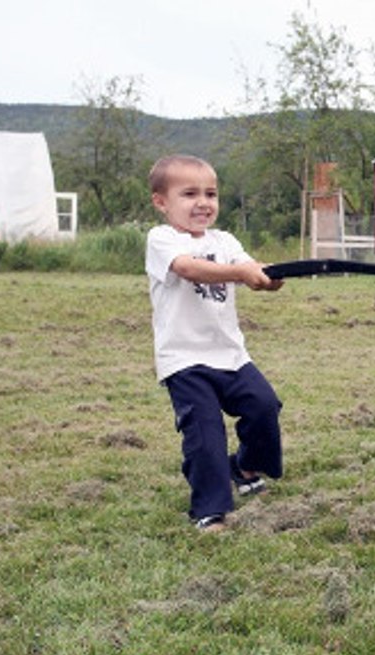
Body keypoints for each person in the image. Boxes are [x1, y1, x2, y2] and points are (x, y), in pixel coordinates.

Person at [145, 154, 285, 533]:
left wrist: (269, 277)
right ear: (162, 201)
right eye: (189, 194)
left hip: (231, 354)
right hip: (185, 360)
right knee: (205, 432)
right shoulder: (162, 239)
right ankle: (210, 510)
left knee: (264, 405)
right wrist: (240, 273)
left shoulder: (225, 241)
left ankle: (243, 466)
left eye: (211, 193)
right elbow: (189, 269)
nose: (203, 202)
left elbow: (249, 265)